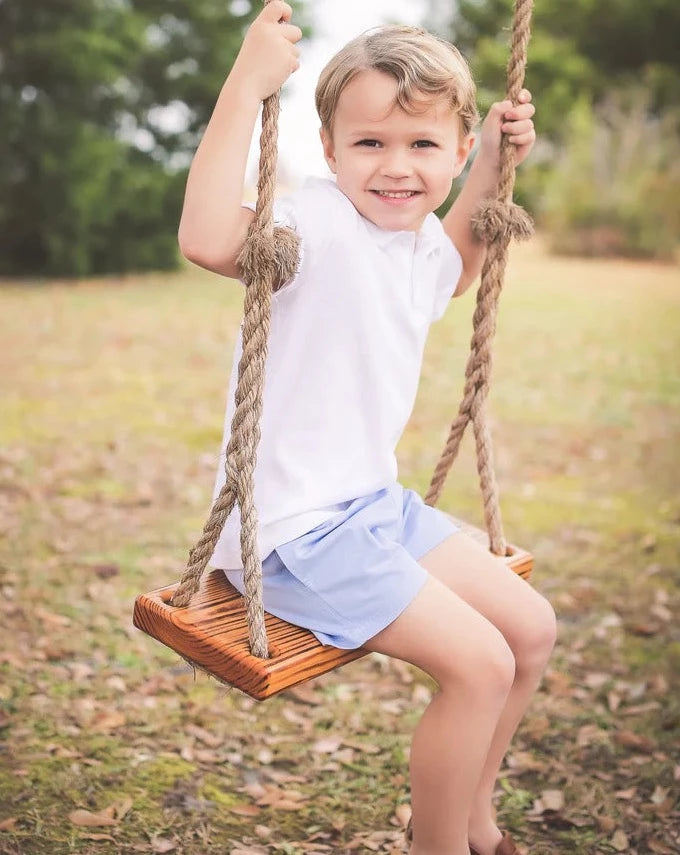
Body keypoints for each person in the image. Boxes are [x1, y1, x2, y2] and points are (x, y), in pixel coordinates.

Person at [178, 3, 557, 854]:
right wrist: (248, 81)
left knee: (529, 631)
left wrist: (495, 159)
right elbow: (205, 235)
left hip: (370, 508)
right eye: (371, 143)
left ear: (456, 153)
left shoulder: (417, 237)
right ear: (329, 150)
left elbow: (449, 274)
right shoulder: (312, 223)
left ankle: (468, 817)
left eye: (423, 146)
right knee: (480, 664)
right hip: (294, 532)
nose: (396, 168)